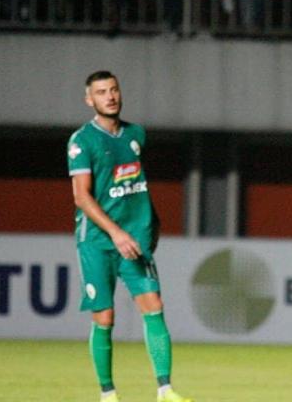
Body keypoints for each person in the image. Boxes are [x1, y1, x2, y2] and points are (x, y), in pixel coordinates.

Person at [67, 71, 192, 402]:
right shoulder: (82, 141)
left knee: (154, 306)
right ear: (89, 100)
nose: (109, 96)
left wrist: (153, 220)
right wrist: (116, 233)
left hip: (134, 240)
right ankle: (108, 394)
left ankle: (165, 390)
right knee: (104, 317)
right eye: (101, 92)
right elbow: (82, 197)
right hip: (97, 241)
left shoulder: (136, 134)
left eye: (113, 89)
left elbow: (134, 183)